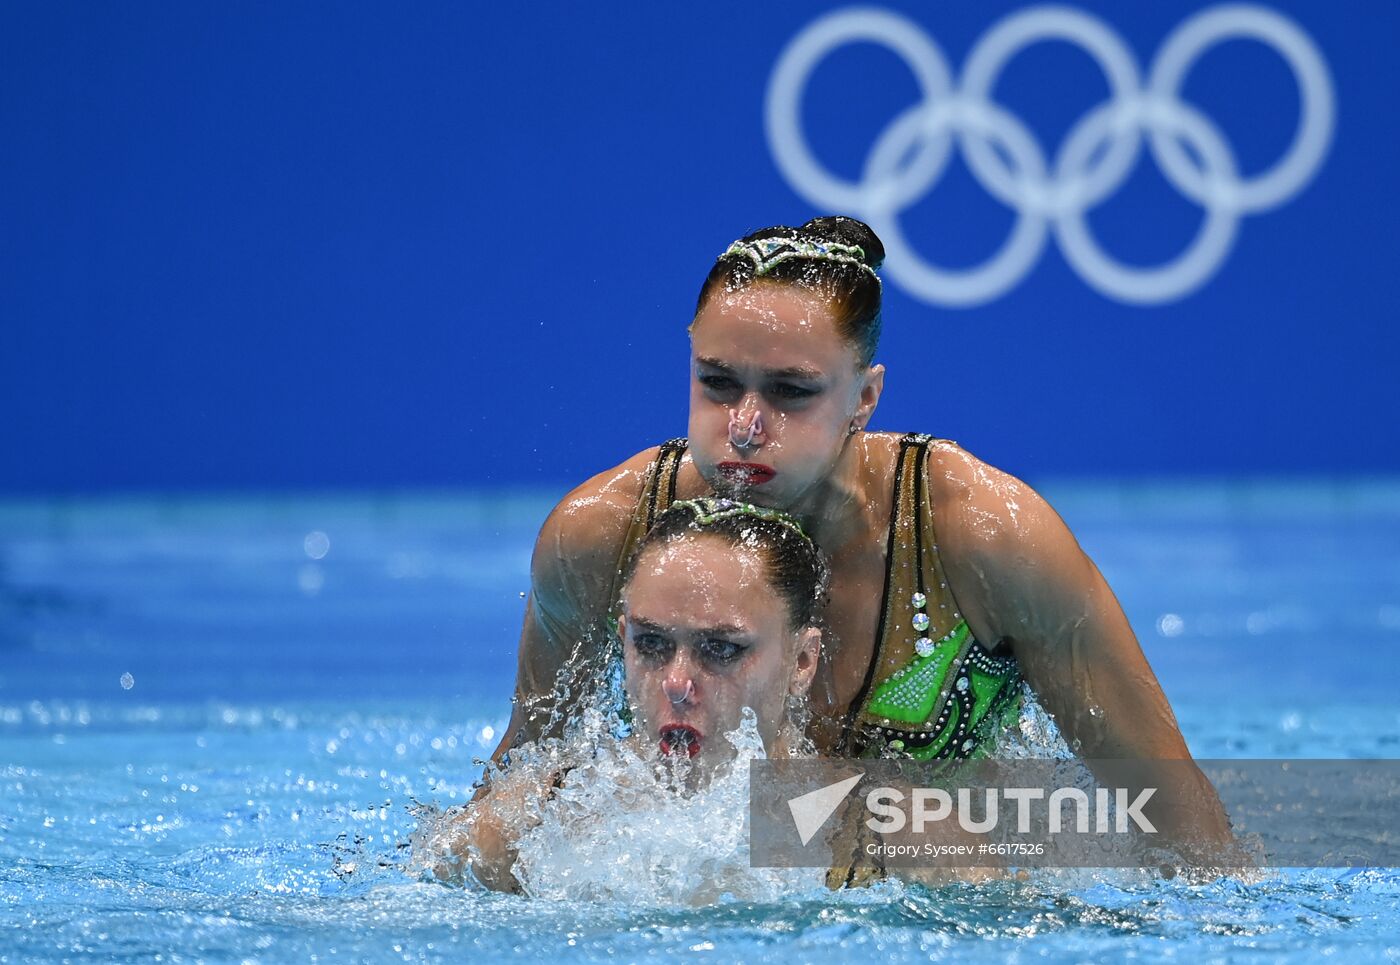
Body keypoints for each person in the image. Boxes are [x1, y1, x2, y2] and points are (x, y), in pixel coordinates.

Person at [490, 216, 1231, 855]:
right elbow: (518, 789)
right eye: (717, 383)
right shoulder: (605, 536)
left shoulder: (985, 540)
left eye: (790, 391)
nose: (744, 425)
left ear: (865, 398)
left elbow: (1183, 828)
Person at [430, 497, 827, 892]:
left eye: (721, 648)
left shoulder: (856, 826)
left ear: (802, 662)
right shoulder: (538, 817)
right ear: (624, 640)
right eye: (651, 644)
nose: (675, 683)